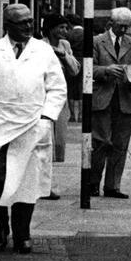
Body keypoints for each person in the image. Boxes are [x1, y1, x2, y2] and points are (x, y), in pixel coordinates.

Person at [0, 3, 66, 254]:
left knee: (25, 183)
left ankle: (22, 234)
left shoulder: (44, 51)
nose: (29, 26)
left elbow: (58, 89)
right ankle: (1, 224)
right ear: (7, 26)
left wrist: (45, 118)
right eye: (22, 22)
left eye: (30, 21)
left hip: (31, 124)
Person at [90, 7, 131, 199]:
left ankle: (113, 186)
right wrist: (106, 70)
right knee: (99, 143)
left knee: (120, 144)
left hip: (124, 99)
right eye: (120, 26)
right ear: (111, 24)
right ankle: (93, 183)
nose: (123, 30)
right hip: (102, 99)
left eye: (126, 27)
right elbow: (88, 69)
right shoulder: (97, 42)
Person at [41, 12, 80, 163]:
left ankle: (54, 166)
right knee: (45, 136)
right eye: (61, 27)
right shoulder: (40, 45)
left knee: (60, 136)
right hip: (43, 96)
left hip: (61, 95)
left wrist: (63, 54)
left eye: (66, 27)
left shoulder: (65, 45)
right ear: (51, 29)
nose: (65, 31)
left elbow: (75, 69)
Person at [65, 13, 84, 123]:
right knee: (82, 88)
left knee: (71, 89)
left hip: (71, 63)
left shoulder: (68, 34)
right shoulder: (87, 34)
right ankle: (81, 115)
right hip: (84, 63)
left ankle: (72, 115)